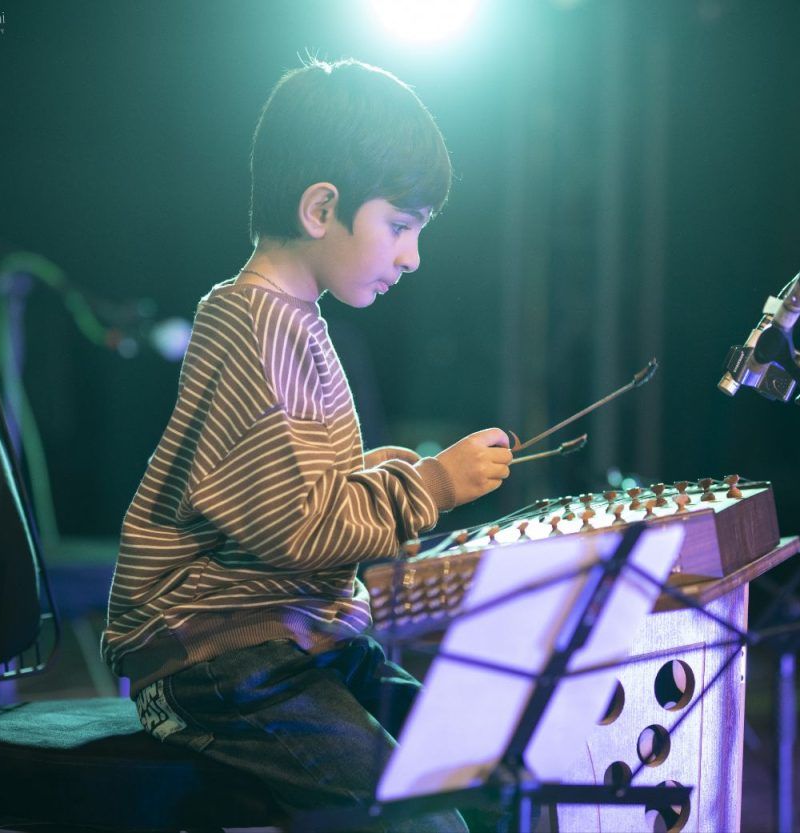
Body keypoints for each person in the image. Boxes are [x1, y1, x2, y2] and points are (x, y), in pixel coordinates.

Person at [101, 58, 512, 831]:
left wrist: (387, 474)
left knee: (483, 770)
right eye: (401, 226)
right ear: (322, 207)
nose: (412, 256)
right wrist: (429, 487)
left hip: (288, 635)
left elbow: (299, 492)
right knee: (418, 819)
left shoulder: (291, 320)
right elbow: (297, 527)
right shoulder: (257, 326)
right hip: (218, 655)